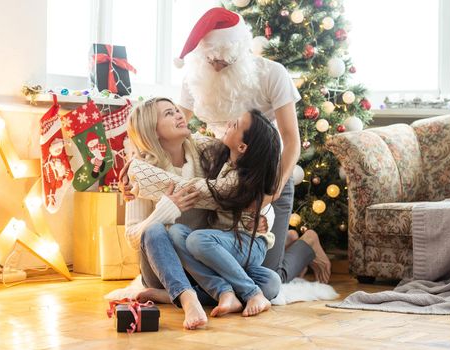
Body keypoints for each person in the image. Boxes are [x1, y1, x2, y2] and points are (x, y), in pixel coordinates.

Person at [173, 7, 331, 283]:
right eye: (211, 61)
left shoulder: (272, 74)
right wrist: (140, 158)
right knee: (225, 265)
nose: (218, 67)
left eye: (225, 62)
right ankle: (284, 241)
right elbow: (174, 130)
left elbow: (292, 140)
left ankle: (306, 243)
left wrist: (272, 192)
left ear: (240, 52)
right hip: (222, 179)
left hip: (270, 174)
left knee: (269, 277)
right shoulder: (194, 77)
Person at [128, 109, 283, 317]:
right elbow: (132, 238)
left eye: (176, 109)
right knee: (174, 233)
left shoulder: (204, 152)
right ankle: (225, 292)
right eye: (168, 113)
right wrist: (138, 173)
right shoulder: (143, 172)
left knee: (270, 281)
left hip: (218, 248)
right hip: (174, 257)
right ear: (152, 130)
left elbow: (254, 185)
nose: (180, 114)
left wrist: (266, 215)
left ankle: (196, 293)